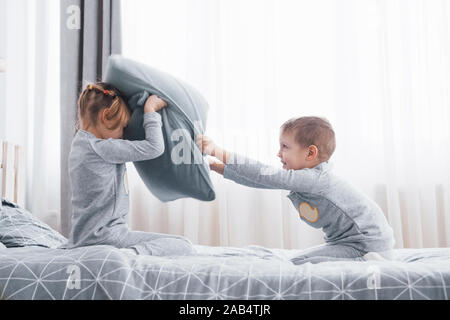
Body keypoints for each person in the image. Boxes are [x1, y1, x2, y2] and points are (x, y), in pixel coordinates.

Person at [196, 116, 395, 264]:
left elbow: (263, 174)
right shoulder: (308, 178)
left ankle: (370, 263)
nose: (278, 153)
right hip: (349, 243)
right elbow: (262, 181)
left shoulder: (315, 179)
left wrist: (218, 151)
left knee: (298, 264)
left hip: (367, 245)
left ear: (310, 153)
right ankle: (366, 260)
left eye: (285, 146)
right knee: (299, 260)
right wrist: (217, 167)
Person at [58, 82, 194, 256]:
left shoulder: (79, 145)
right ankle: (130, 255)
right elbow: (155, 147)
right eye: (122, 127)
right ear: (105, 116)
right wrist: (150, 110)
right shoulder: (102, 148)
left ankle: (128, 252)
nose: (124, 134)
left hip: (83, 238)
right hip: (105, 238)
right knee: (183, 245)